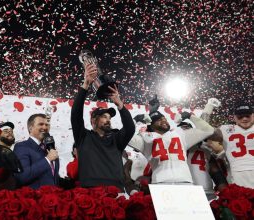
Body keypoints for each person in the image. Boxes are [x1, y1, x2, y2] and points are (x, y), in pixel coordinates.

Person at [71, 63, 135, 191]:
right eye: (104, 117)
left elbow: (130, 128)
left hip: (115, 190)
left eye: (109, 118)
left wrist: (119, 103)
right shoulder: (83, 137)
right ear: (94, 120)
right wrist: (85, 85)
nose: (108, 120)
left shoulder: (116, 139)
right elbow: (76, 116)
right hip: (90, 190)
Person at [128, 109, 215, 185]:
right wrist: (135, 119)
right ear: (151, 125)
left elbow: (208, 130)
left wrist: (190, 116)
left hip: (185, 180)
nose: (163, 121)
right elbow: (126, 137)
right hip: (160, 181)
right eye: (158, 120)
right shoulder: (145, 138)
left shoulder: (180, 133)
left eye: (164, 118)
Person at [209, 102, 254, 188]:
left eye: (247, 115)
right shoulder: (226, 130)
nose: (244, 119)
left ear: (253, 115)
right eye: (240, 116)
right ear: (234, 117)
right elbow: (205, 132)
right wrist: (208, 108)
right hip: (238, 175)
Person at [13, 114, 60, 189]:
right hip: (34, 198)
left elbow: (52, 178)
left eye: (47, 125)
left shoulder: (50, 149)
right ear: (30, 128)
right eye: (41, 124)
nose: (45, 127)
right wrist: (47, 159)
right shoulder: (22, 147)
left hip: (52, 198)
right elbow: (22, 176)